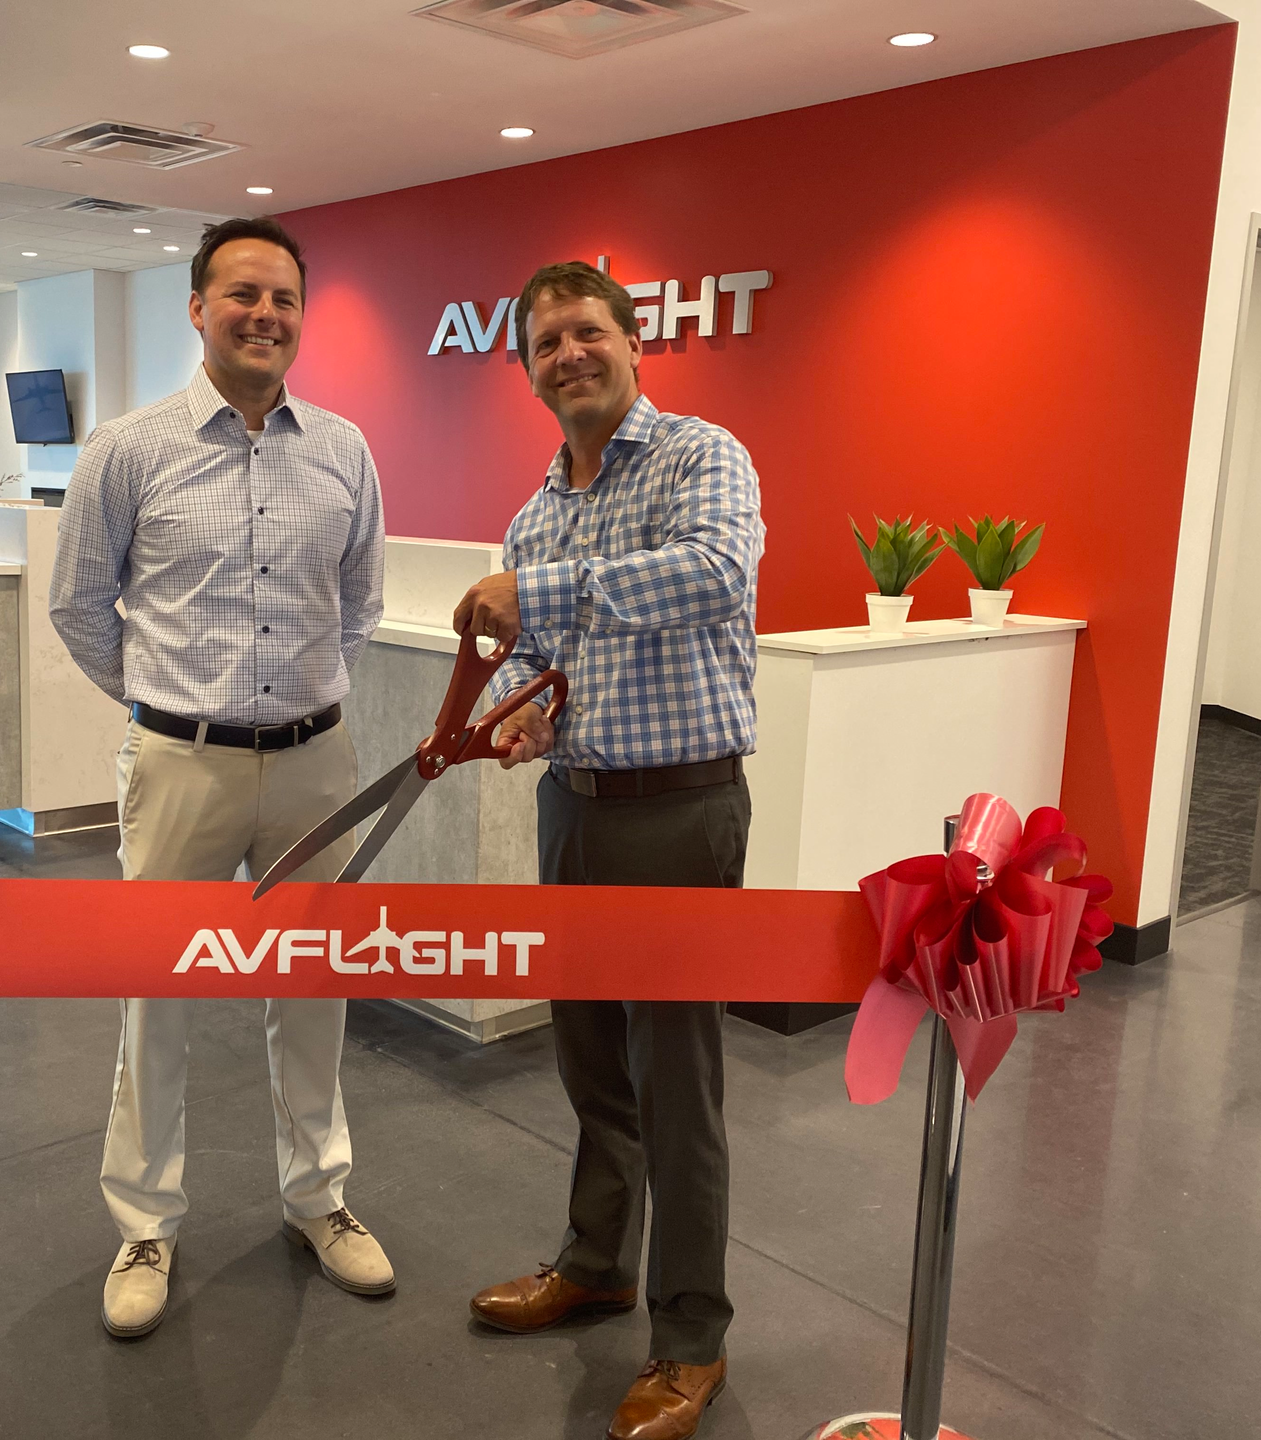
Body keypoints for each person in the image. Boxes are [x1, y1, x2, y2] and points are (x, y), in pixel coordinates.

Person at [49, 215, 393, 1341]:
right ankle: (145, 1221)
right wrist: (166, 708)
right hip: (180, 763)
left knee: (316, 985)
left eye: (285, 299)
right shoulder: (127, 449)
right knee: (157, 993)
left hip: (314, 763)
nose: (265, 316)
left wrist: (298, 705)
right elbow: (79, 609)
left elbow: (361, 606)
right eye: (242, 294)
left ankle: (320, 1200)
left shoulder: (343, 449)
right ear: (195, 308)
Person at [457, 260, 764, 1440]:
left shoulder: (703, 458)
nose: (569, 354)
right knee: (590, 1059)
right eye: (546, 343)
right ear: (529, 371)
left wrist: (539, 594)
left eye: (588, 332)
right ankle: (596, 1264)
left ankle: (692, 1339)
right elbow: (565, 664)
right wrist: (541, 713)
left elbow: (710, 577)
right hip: (575, 804)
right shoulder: (536, 513)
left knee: (677, 1086)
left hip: (683, 813)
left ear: (638, 345)